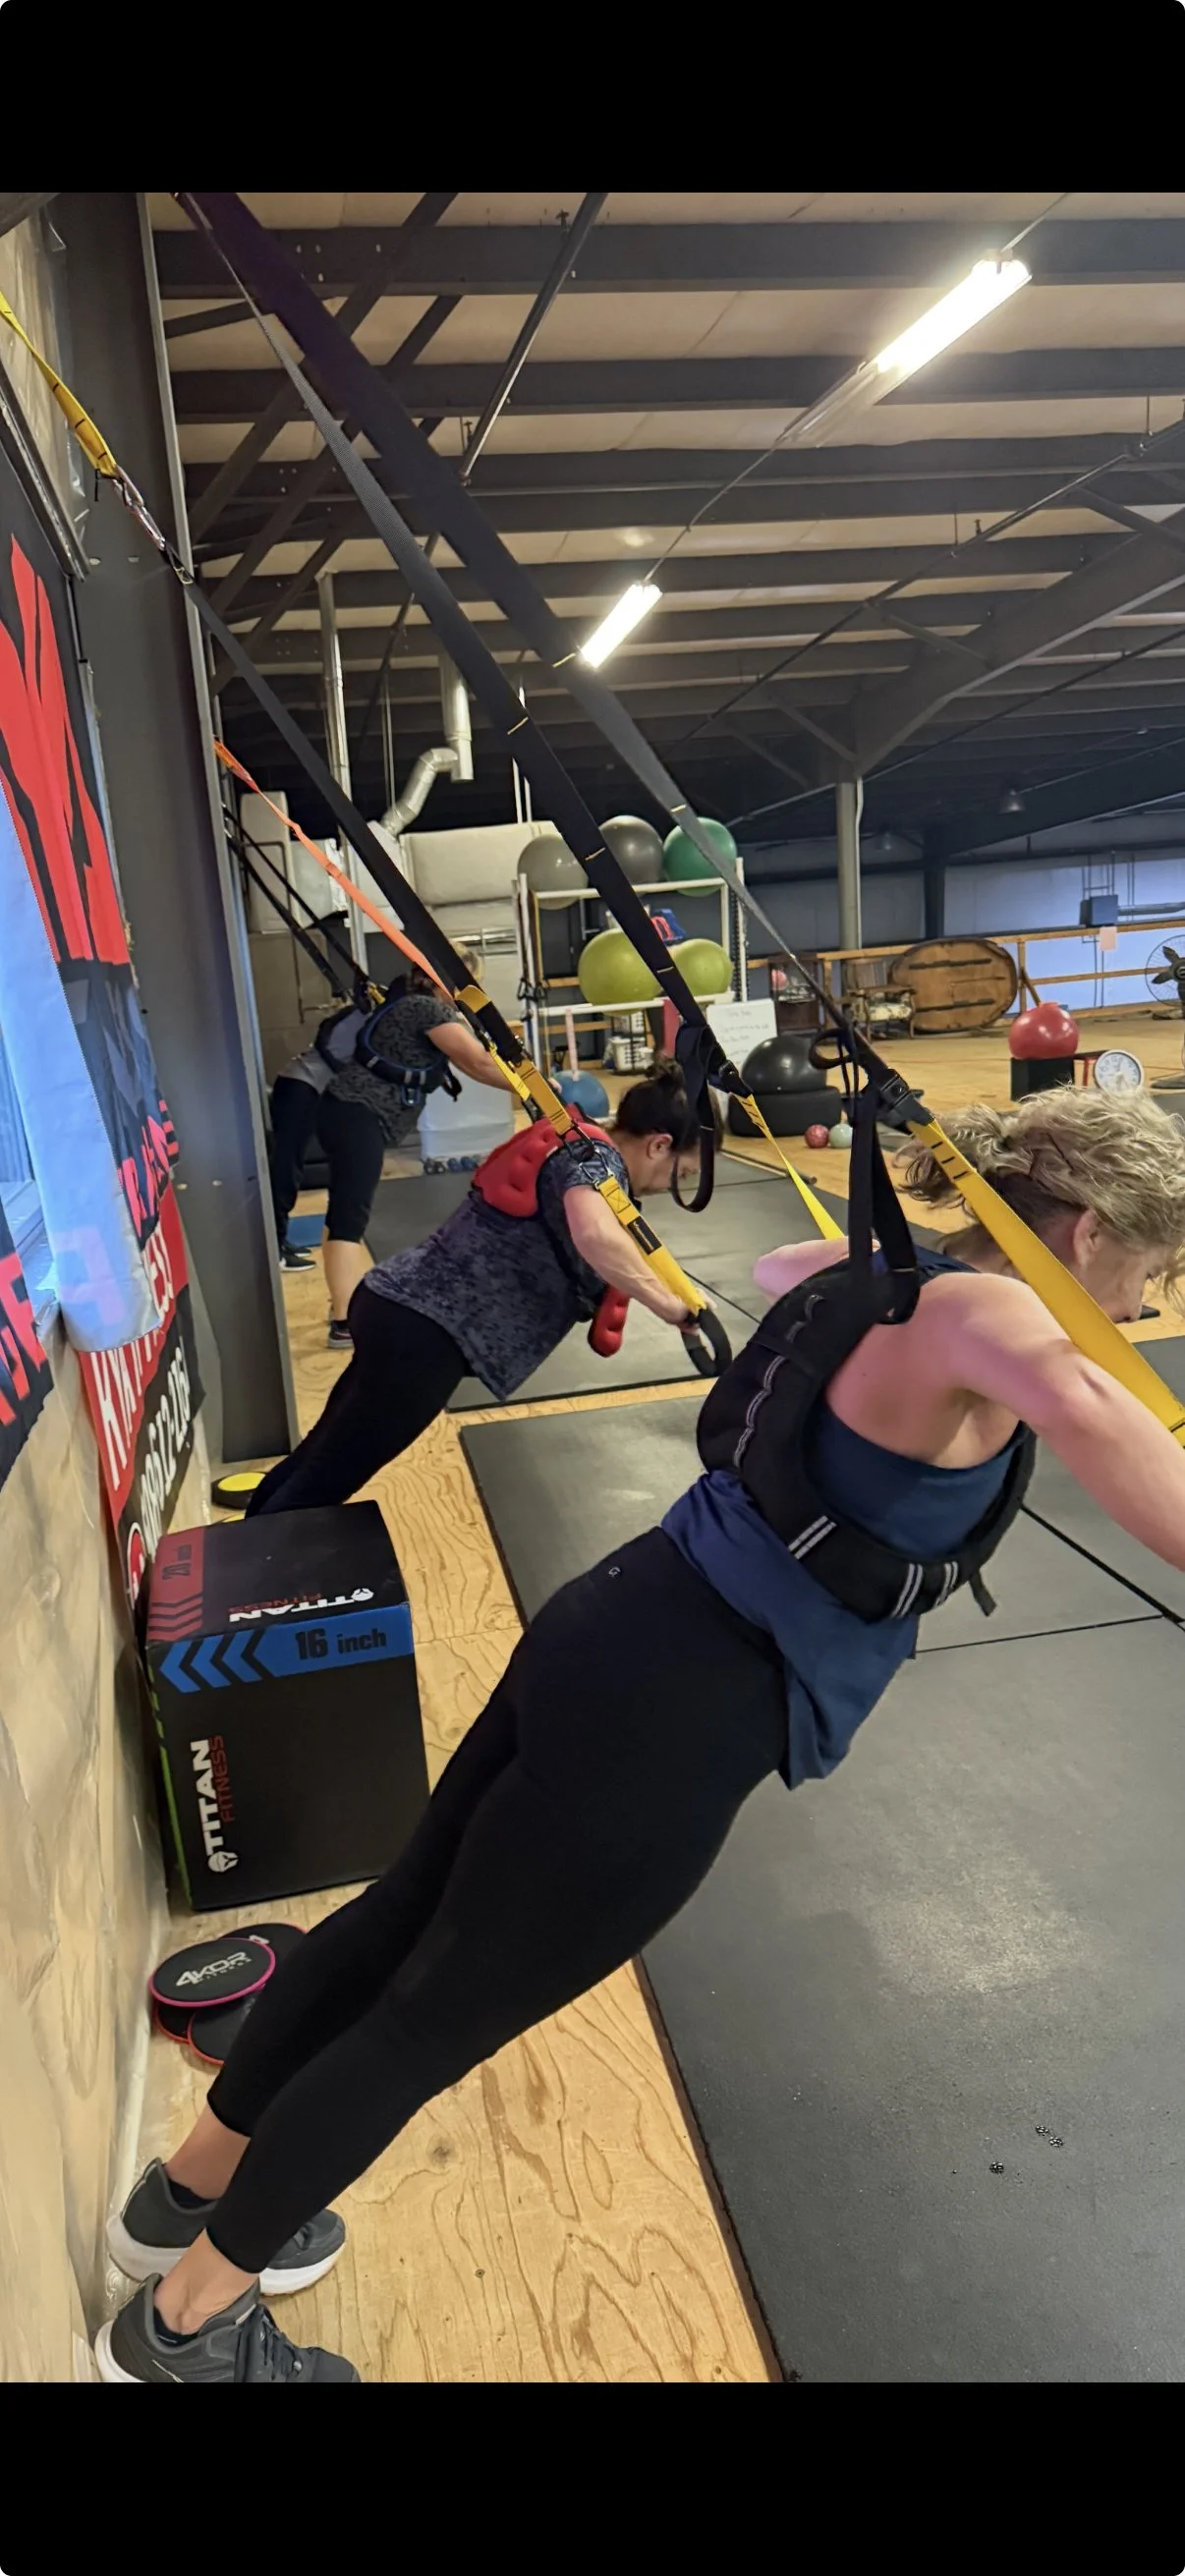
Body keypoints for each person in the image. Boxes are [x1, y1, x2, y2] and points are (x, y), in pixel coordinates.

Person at [97, 1088, 1185, 2383]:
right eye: (1150, 1266)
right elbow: (1089, 1401)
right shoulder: (992, 1314)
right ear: (1080, 1230)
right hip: (677, 1708)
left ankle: (183, 2195)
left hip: (614, 1624)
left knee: (399, 1920)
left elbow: (787, 1265)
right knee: (432, 2016)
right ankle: (184, 2324)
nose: (1144, 1306)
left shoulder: (888, 1276)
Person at [244, 1055, 713, 1519]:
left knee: (319, 1460)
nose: (672, 1186)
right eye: (684, 1173)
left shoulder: (580, 1140)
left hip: (399, 1306)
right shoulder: (596, 1161)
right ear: (659, 1146)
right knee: (322, 1479)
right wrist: (666, 1305)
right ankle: (254, 1579)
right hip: (428, 1333)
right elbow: (595, 1235)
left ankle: (247, 1550)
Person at [266, 951, 509, 1344]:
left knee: (344, 1212)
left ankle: (341, 1301)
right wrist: (536, 1088)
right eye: (466, 985)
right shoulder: (425, 1010)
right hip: (357, 1116)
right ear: (441, 981)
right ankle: (345, 1324)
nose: (469, 994)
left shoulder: (417, 1006)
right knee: (349, 1219)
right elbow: (478, 1064)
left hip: (347, 1113)